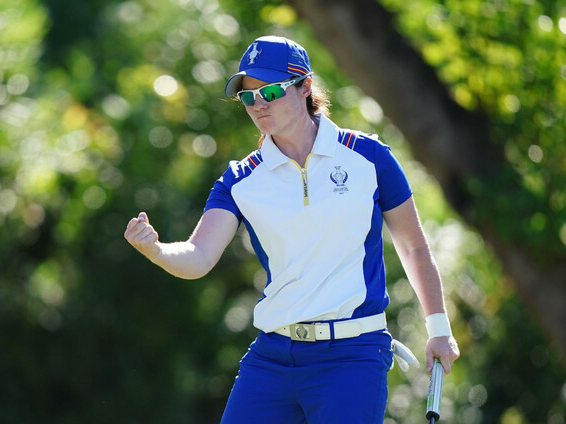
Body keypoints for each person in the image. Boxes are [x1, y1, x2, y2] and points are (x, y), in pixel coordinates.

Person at [125, 35, 460, 423]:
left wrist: (438, 328)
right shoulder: (240, 180)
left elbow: (414, 247)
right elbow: (199, 256)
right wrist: (157, 250)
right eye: (248, 97)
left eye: (270, 91)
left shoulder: (369, 157)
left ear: (305, 87)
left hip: (353, 354)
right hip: (273, 357)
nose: (259, 104)